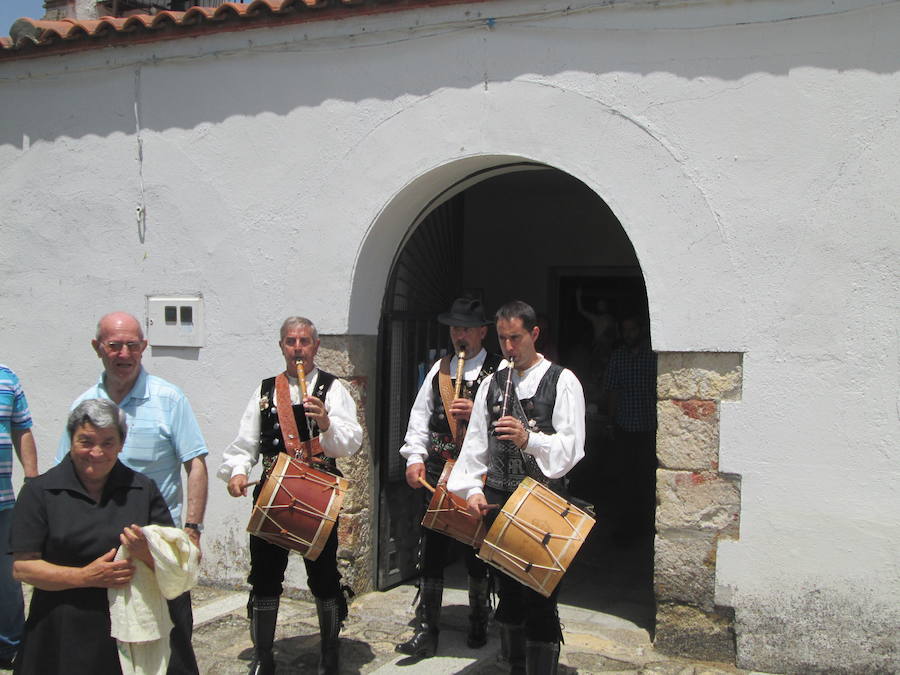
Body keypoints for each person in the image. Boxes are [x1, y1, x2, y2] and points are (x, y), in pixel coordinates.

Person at [56, 311, 208, 674]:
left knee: (172, 643)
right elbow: (63, 472)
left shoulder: (169, 398)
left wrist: (192, 531)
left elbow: (196, 464)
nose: (123, 354)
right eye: (114, 345)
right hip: (97, 547)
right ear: (98, 348)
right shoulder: (83, 407)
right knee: (102, 645)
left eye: (132, 345)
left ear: (144, 347)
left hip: (156, 547)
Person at [219, 316, 363, 675]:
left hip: (318, 494)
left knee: (323, 575)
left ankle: (329, 649)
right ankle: (263, 655)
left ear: (315, 346)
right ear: (281, 346)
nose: (297, 349)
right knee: (265, 574)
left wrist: (326, 422)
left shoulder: (332, 389)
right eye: (290, 342)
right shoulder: (266, 391)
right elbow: (246, 441)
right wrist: (238, 472)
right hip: (273, 493)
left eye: (304, 342)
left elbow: (352, 441)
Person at [448, 300, 586, 674]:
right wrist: (472, 491)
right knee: (507, 594)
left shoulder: (562, 380)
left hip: (543, 501)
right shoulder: (492, 384)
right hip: (498, 500)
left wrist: (530, 440)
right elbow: (476, 447)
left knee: (541, 596)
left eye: (516, 338)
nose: (508, 347)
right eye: (502, 338)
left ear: (534, 334)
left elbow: (571, 450)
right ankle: (513, 667)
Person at [11, 399, 174, 674]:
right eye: (86, 441)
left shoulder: (142, 490)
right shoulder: (40, 492)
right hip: (59, 627)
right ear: (71, 440)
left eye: (108, 443)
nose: (96, 452)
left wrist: (146, 552)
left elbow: (173, 558)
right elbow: (23, 567)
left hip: (126, 632)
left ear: (121, 444)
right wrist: (86, 577)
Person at [396, 297, 503, 658]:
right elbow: (420, 415)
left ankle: (478, 615)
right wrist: (414, 458)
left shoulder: (499, 371)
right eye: (455, 328)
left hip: (480, 475)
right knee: (432, 548)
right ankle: (427, 627)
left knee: (477, 549)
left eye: (467, 329)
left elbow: (511, 423)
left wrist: (479, 410)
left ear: (482, 332)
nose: (460, 335)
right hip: (440, 473)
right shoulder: (440, 369)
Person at [604, 314, 657, 540]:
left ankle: (647, 528)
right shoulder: (618, 357)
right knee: (625, 480)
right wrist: (610, 421)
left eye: (632, 330)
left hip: (648, 428)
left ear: (641, 330)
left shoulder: (653, 357)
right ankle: (625, 530)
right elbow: (612, 391)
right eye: (625, 331)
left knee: (646, 480)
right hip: (625, 427)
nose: (628, 335)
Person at [0, 365, 38, 670]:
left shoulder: (8, 378)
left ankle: (10, 645)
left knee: (8, 578)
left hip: (3, 503)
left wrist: (32, 480)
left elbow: (22, 430)